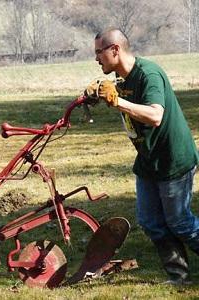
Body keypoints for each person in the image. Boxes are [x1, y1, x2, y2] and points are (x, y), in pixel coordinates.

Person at [85, 28, 199, 285]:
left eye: (98, 52)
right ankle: (179, 277)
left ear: (115, 49)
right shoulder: (123, 78)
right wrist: (94, 94)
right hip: (149, 160)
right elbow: (119, 93)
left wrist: (117, 103)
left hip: (173, 159)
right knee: (150, 221)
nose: (96, 59)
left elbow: (155, 115)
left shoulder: (149, 74)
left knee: (180, 222)